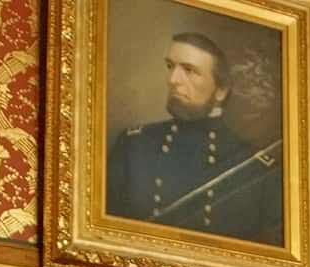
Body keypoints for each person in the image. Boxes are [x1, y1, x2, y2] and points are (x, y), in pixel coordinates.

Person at [105, 32, 283, 245]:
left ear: (221, 91)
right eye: (170, 66)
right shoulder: (133, 145)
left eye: (189, 71)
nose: (173, 80)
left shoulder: (255, 168)